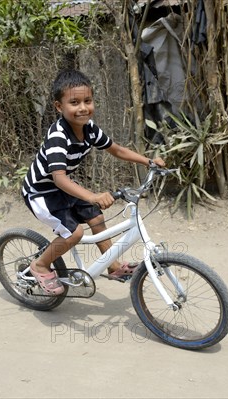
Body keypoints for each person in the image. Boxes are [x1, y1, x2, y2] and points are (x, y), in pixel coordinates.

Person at [22, 69, 165, 295]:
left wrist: (148, 162)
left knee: (96, 216)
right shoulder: (58, 137)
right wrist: (93, 196)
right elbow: (58, 178)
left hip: (63, 187)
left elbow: (116, 150)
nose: (83, 108)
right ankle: (39, 265)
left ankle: (113, 265)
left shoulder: (89, 129)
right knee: (75, 233)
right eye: (74, 102)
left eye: (87, 101)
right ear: (59, 107)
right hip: (41, 193)